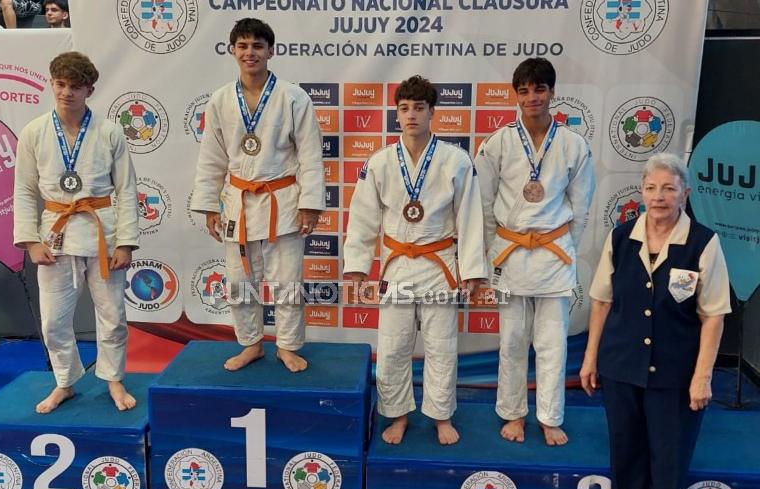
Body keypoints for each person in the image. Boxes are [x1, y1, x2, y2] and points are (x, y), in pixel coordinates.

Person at [344, 75, 487, 445]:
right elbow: (362, 218)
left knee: (441, 345)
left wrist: (472, 271)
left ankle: (441, 416)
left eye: (419, 108)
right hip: (397, 265)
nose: (411, 116)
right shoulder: (379, 163)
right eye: (404, 108)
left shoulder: (456, 160)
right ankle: (398, 415)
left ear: (431, 113)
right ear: (397, 113)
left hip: (440, 263)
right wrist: (358, 267)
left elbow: (470, 217)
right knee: (393, 346)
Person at [580, 153, 731, 489]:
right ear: (642, 193)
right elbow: (602, 302)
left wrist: (702, 377)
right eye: (651, 188)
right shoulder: (620, 238)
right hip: (621, 369)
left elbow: (713, 316)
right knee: (626, 461)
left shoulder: (703, 243)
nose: (658, 197)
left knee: (668, 465)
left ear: (685, 194)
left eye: (668, 189)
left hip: (675, 376)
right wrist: (590, 360)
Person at [190, 18, 325, 373]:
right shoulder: (220, 100)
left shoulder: (294, 97)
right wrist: (208, 205)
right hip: (239, 201)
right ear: (233, 50)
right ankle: (250, 344)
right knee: (239, 280)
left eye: (258, 46)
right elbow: (212, 157)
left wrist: (311, 205)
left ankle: (287, 345)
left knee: (288, 280)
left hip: (283, 199)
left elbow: (310, 153)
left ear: (270, 51)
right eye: (244, 46)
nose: (250, 53)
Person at [475, 57, 595, 446]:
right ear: (516, 95)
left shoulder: (574, 145)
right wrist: (498, 248)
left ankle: (550, 416)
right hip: (510, 255)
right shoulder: (498, 143)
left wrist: (560, 245)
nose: (532, 97)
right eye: (524, 90)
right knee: (511, 341)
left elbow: (582, 207)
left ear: (552, 93)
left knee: (552, 342)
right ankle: (513, 413)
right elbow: (483, 203)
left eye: (540, 89)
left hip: (554, 256)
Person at [13, 51, 140, 414]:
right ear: (51, 84)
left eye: (75, 86)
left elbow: (127, 189)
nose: (66, 92)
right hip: (55, 235)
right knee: (54, 320)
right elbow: (23, 189)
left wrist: (126, 242)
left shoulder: (110, 132)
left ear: (90, 90)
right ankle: (65, 382)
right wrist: (30, 240)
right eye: (60, 84)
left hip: (103, 234)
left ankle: (114, 378)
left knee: (112, 314)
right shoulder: (34, 132)